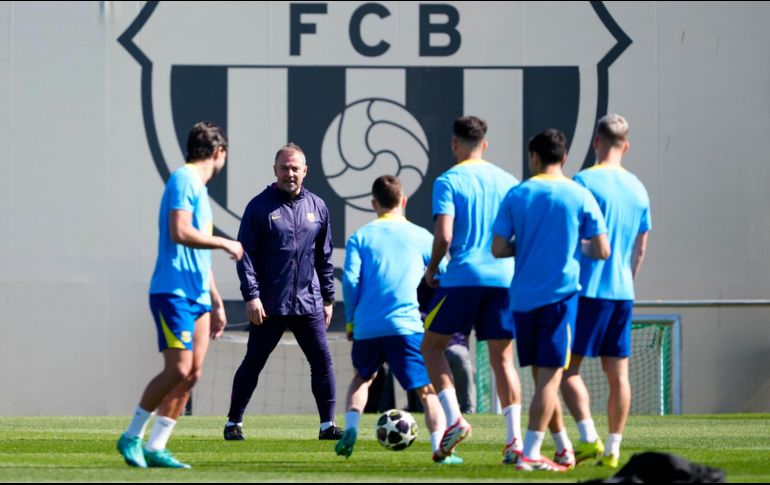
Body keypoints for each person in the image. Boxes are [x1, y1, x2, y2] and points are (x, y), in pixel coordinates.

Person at [117, 121, 244, 469]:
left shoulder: (201, 192)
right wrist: (224, 241)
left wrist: (217, 300)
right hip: (172, 291)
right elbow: (179, 231)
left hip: (199, 294)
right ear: (219, 153)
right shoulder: (183, 179)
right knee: (178, 369)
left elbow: (198, 255)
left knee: (193, 374)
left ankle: (157, 447)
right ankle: (131, 436)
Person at [491, 128, 610, 472]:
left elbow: (498, 248)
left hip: (522, 300)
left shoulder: (518, 193)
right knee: (550, 377)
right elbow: (602, 249)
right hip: (560, 299)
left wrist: (526, 246)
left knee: (545, 378)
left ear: (534, 157)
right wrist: (573, 245)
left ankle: (564, 449)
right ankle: (529, 453)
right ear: (565, 157)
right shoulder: (579, 194)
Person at [335, 175, 461, 464]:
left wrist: (352, 321)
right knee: (426, 390)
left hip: (367, 326)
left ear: (373, 203)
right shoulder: (421, 237)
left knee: (362, 379)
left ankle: (351, 430)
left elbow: (351, 282)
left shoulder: (360, 237)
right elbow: (447, 273)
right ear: (403, 201)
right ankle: (439, 449)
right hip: (406, 326)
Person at [421, 116, 523, 464]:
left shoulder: (448, 179)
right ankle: (514, 442)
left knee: (432, 347)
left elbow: (445, 235)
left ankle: (455, 420)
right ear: (486, 144)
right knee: (504, 360)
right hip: (504, 279)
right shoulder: (509, 181)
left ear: (454, 144)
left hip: (463, 276)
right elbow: (516, 235)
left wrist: (433, 268)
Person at [224, 143, 341, 441]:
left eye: (295, 168)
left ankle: (327, 425)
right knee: (254, 362)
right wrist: (252, 295)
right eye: (284, 167)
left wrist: (327, 298)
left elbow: (324, 258)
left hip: (309, 302)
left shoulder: (318, 207)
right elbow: (245, 255)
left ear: (305, 171)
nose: (289, 173)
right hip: (270, 304)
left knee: (322, 362)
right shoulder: (259, 207)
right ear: (275, 170)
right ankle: (233, 423)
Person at [561, 115, 652, 469]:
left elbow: (572, 235)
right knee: (620, 377)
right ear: (625, 145)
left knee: (566, 370)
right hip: (622, 293)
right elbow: (640, 248)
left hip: (586, 291)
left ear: (596, 141)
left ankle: (588, 437)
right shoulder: (639, 188)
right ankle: (614, 447)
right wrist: (626, 280)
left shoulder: (583, 181)